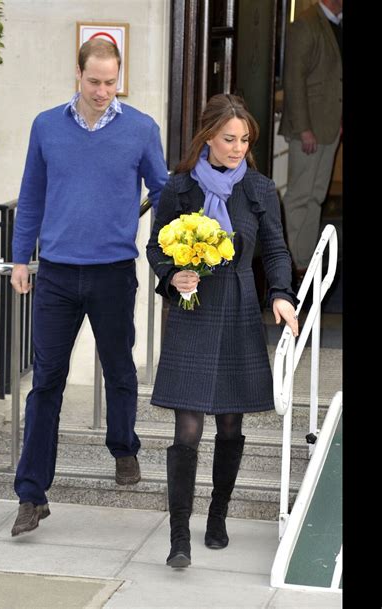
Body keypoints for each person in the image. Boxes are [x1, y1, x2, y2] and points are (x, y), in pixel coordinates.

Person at [10, 38, 168, 537]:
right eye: (94, 81)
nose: (103, 91)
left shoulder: (142, 129)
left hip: (113, 271)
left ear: (119, 77)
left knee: (120, 368)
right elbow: (32, 193)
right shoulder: (46, 126)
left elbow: (164, 190)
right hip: (55, 273)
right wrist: (21, 258)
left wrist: (174, 250)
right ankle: (31, 495)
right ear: (77, 74)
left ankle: (123, 447)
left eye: (110, 82)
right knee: (46, 383)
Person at [146, 94, 299, 568]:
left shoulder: (259, 188)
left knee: (230, 423)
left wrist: (280, 293)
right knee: (187, 429)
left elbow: (275, 250)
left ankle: (217, 516)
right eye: (229, 139)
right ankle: (178, 538)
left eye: (245, 140)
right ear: (208, 137)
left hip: (236, 309)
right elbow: (156, 248)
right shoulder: (177, 188)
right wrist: (173, 275)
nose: (237, 147)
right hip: (192, 311)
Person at [279, 0, 342, 281]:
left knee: (316, 197)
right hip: (308, 131)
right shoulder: (304, 24)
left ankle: (305, 260)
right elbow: (293, 80)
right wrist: (304, 128)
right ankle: (291, 264)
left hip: (329, 127)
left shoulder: (336, 24)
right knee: (300, 197)